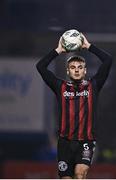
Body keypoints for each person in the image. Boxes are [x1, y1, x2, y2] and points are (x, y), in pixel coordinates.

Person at [36, 33, 112, 179]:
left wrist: (89, 46)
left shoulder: (93, 86)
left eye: (80, 67)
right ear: (68, 71)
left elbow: (108, 60)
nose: (76, 69)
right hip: (65, 142)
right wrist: (58, 50)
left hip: (86, 141)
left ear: (84, 71)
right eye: (72, 67)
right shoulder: (60, 86)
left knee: (80, 173)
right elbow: (40, 66)